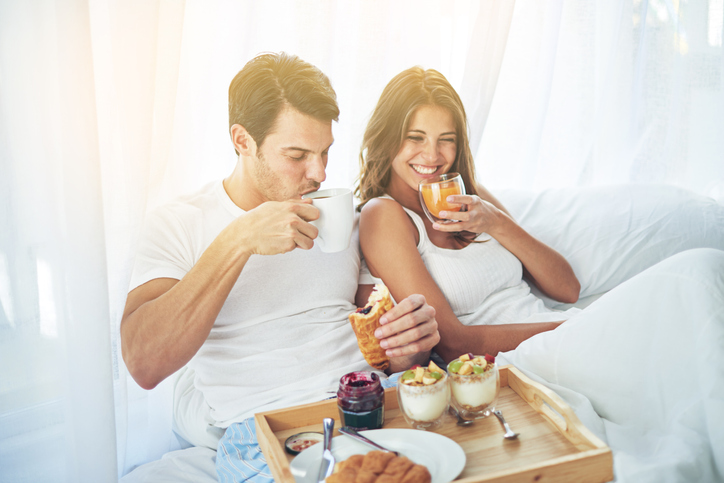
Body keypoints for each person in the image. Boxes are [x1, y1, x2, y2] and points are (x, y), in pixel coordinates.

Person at [121, 53, 439, 482]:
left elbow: (384, 349)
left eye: (325, 152)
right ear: (242, 140)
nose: (319, 172)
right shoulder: (179, 223)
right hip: (266, 427)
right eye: (297, 155)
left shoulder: (337, 215)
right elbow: (144, 362)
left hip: (373, 401)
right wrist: (239, 240)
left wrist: (411, 348)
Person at [356, 66, 581, 363]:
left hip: (562, 336)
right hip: (519, 360)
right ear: (386, 137)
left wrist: (497, 222)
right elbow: (453, 344)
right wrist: (568, 330)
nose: (433, 155)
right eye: (416, 137)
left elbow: (568, 290)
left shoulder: (472, 196)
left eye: (446, 139)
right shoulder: (383, 215)